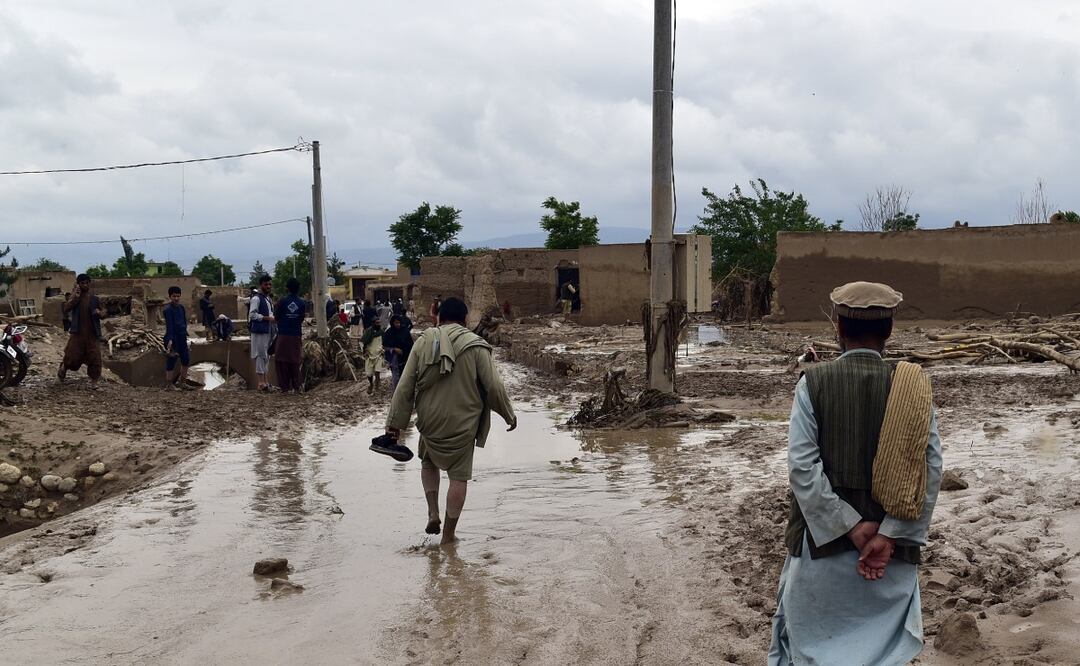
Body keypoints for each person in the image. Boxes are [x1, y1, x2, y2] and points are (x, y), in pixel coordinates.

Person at [769, 282, 943, 665]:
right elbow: (928, 471)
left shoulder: (812, 383)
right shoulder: (912, 386)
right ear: (890, 330)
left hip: (820, 552)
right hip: (890, 560)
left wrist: (850, 526)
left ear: (839, 329)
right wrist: (889, 534)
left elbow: (802, 467)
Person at [383, 297, 517, 545]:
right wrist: (508, 414)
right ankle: (448, 536)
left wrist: (394, 426)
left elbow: (404, 387)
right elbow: (494, 387)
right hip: (463, 424)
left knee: (428, 461)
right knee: (458, 478)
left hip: (430, 421)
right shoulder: (477, 346)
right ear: (465, 320)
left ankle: (432, 512)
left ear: (438, 317)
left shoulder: (423, 342)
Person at [59, 274, 104, 388]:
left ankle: (94, 382)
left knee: (95, 358)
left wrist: (100, 313)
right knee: (72, 357)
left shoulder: (94, 299)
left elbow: (104, 312)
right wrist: (76, 298)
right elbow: (66, 308)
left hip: (92, 334)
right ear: (78, 284)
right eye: (83, 283)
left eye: (87, 282)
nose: (85, 285)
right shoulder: (75, 297)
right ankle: (64, 367)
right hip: (78, 333)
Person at [274, 277, 306, 394]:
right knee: (295, 361)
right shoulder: (302, 303)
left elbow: (276, 317)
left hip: (283, 335)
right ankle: (297, 387)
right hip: (296, 335)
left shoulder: (281, 301)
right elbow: (301, 318)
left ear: (287, 288)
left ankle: (284, 388)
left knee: (282, 361)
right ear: (298, 289)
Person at [249, 274, 276, 391]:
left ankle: (265, 381)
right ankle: (261, 383)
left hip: (268, 330)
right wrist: (266, 318)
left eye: (270, 284)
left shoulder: (268, 299)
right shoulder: (256, 299)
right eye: (266, 284)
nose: (268, 286)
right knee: (260, 355)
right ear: (261, 285)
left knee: (266, 355)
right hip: (260, 331)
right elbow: (252, 315)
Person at [163, 286, 192, 389]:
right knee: (171, 361)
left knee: (185, 360)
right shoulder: (168, 310)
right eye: (174, 296)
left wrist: (186, 335)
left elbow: (184, 322)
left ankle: (182, 382)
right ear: (170, 296)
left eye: (178, 296)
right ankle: (169, 384)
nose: (176, 298)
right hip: (173, 338)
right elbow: (169, 326)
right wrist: (170, 340)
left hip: (182, 337)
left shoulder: (181, 308)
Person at [382, 313, 413, 391]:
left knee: (406, 375)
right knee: (396, 376)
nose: (398, 324)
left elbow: (410, 344)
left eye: (399, 322)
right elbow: (384, 346)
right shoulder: (389, 333)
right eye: (396, 322)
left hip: (406, 357)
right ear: (392, 323)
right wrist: (394, 349)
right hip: (394, 359)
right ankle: (397, 392)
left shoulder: (405, 331)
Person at [360, 319, 386, 394]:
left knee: (377, 372)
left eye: (379, 323)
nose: (379, 324)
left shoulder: (381, 332)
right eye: (377, 323)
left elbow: (384, 342)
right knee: (369, 373)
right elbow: (362, 342)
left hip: (379, 354)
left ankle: (377, 388)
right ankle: (371, 384)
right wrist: (364, 352)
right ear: (373, 323)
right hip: (369, 355)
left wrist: (383, 350)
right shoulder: (368, 332)